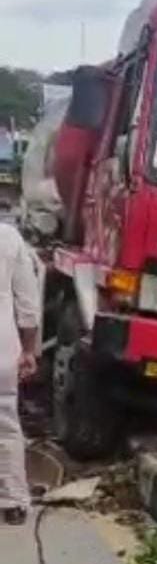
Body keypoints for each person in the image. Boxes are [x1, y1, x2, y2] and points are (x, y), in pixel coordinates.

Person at [1, 219, 40, 526]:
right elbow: (28, 306)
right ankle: (13, 501)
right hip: (2, 347)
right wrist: (28, 350)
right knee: (6, 425)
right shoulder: (9, 237)